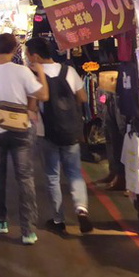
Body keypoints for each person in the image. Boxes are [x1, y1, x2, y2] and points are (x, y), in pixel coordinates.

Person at [0, 34, 48, 245]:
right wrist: (41, 74)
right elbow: (43, 95)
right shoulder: (22, 72)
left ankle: (0, 220)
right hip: (21, 128)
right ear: (15, 49)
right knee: (25, 178)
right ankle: (28, 231)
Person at [25, 38, 93, 234]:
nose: (28, 58)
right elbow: (83, 98)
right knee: (74, 173)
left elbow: (32, 106)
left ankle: (58, 219)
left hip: (46, 132)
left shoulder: (34, 76)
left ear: (35, 56)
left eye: (28, 54)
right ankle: (81, 209)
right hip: (70, 130)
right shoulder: (69, 71)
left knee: (52, 176)